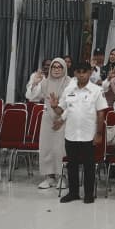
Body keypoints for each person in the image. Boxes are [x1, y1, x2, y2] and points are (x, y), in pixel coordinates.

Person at [51, 61, 107, 203]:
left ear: (90, 73)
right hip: (71, 134)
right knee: (72, 165)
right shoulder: (69, 90)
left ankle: (88, 194)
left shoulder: (96, 90)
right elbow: (61, 111)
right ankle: (73, 193)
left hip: (88, 135)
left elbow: (101, 113)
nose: (82, 75)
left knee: (89, 166)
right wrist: (54, 106)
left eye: (85, 72)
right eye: (79, 72)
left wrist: (99, 134)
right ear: (75, 73)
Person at [26, 57, 72, 189]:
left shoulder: (69, 82)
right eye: (54, 67)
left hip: (63, 120)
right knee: (47, 148)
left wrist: (61, 116)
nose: (56, 70)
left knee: (60, 149)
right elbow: (31, 97)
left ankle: (62, 177)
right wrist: (35, 83)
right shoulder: (45, 82)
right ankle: (49, 177)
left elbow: (71, 103)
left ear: (64, 68)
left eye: (59, 67)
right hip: (47, 119)